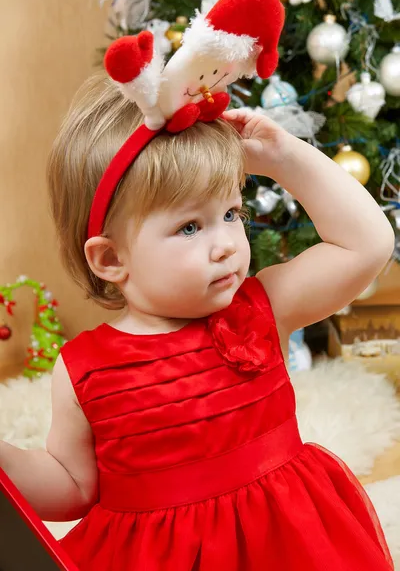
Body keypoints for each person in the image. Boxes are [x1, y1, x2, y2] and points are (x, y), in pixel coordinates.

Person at [0, 70, 395, 570]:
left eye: (232, 213)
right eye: (190, 226)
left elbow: (368, 245)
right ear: (110, 260)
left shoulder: (262, 308)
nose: (227, 243)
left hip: (287, 544)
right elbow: (72, 487)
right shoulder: (86, 367)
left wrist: (284, 157)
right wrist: (7, 459)